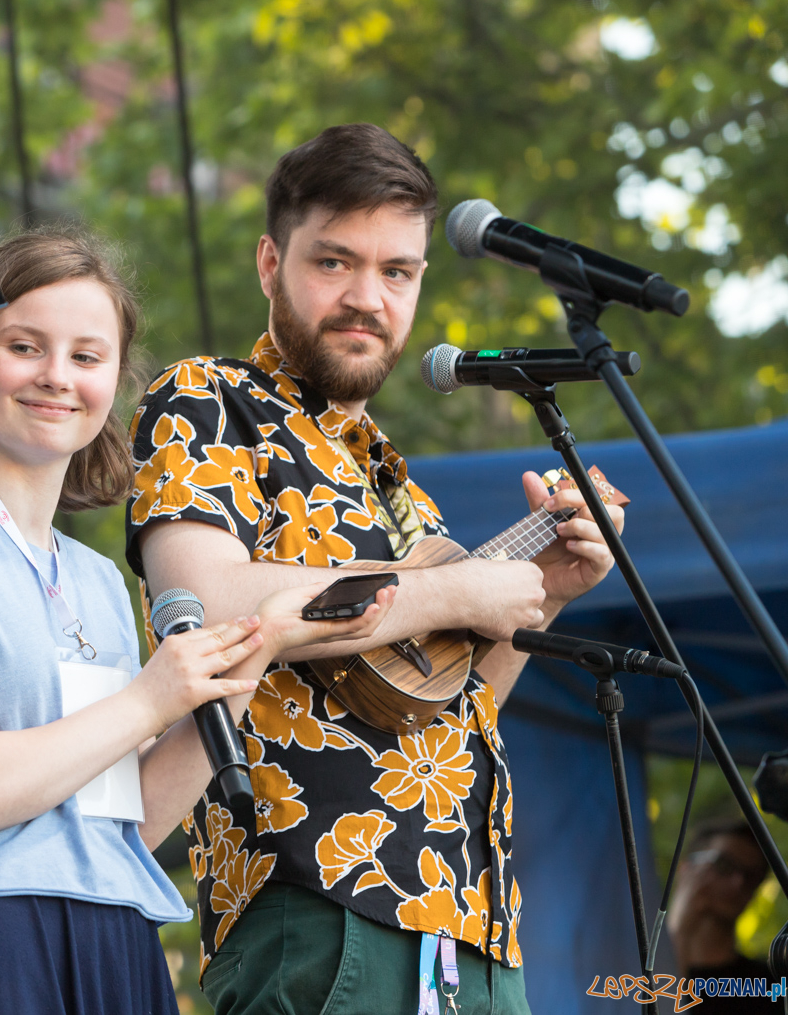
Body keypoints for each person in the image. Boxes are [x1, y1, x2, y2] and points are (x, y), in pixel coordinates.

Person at [126, 123, 628, 1014]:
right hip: (317, 910)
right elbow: (205, 601)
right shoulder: (208, 400)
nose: (367, 297)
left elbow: (450, 704)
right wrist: (449, 590)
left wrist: (544, 594)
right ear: (270, 263)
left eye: (396, 271)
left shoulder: (403, 492)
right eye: (335, 262)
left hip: (475, 930)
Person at [0, 228, 395, 1015]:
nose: (56, 375)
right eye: (25, 347)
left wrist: (259, 648)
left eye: (86, 355)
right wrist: (149, 698)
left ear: (112, 379)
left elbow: (129, 819)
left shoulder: (99, 577)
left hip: (119, 941)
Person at [668, 818, 777, 1012]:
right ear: (686, 869)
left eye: (751, 876)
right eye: (724, 865)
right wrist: (679, 930)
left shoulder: (768, 986)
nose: (738, 883)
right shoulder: (629, 969)